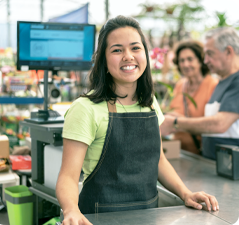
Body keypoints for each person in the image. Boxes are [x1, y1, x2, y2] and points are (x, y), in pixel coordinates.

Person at [56, 16, 219, 225]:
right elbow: (68, 176)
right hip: (98, 218)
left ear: (145, 55)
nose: (128, 56)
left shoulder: (149, 102)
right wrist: (71, 210)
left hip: (147, 217)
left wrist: (185, 193)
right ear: (103, 60)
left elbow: (158, 161)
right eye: (116, 50)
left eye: (135, 48)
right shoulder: (85, 108)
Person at [161, 27, 239, 160]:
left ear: (228, 51)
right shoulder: (222, 82)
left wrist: (175, 122)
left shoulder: (234, 81)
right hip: (212, 164)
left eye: (210, 54)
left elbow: (220, 124)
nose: (206, 60)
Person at [167, 40, 218, 154]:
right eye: (181, 60)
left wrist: (178, 121)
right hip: (178, 151)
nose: (185, 64)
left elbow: (214, 124)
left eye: (190, 59)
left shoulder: (213, 85)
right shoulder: (180, 85)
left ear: (200, 61)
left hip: (201, 154)